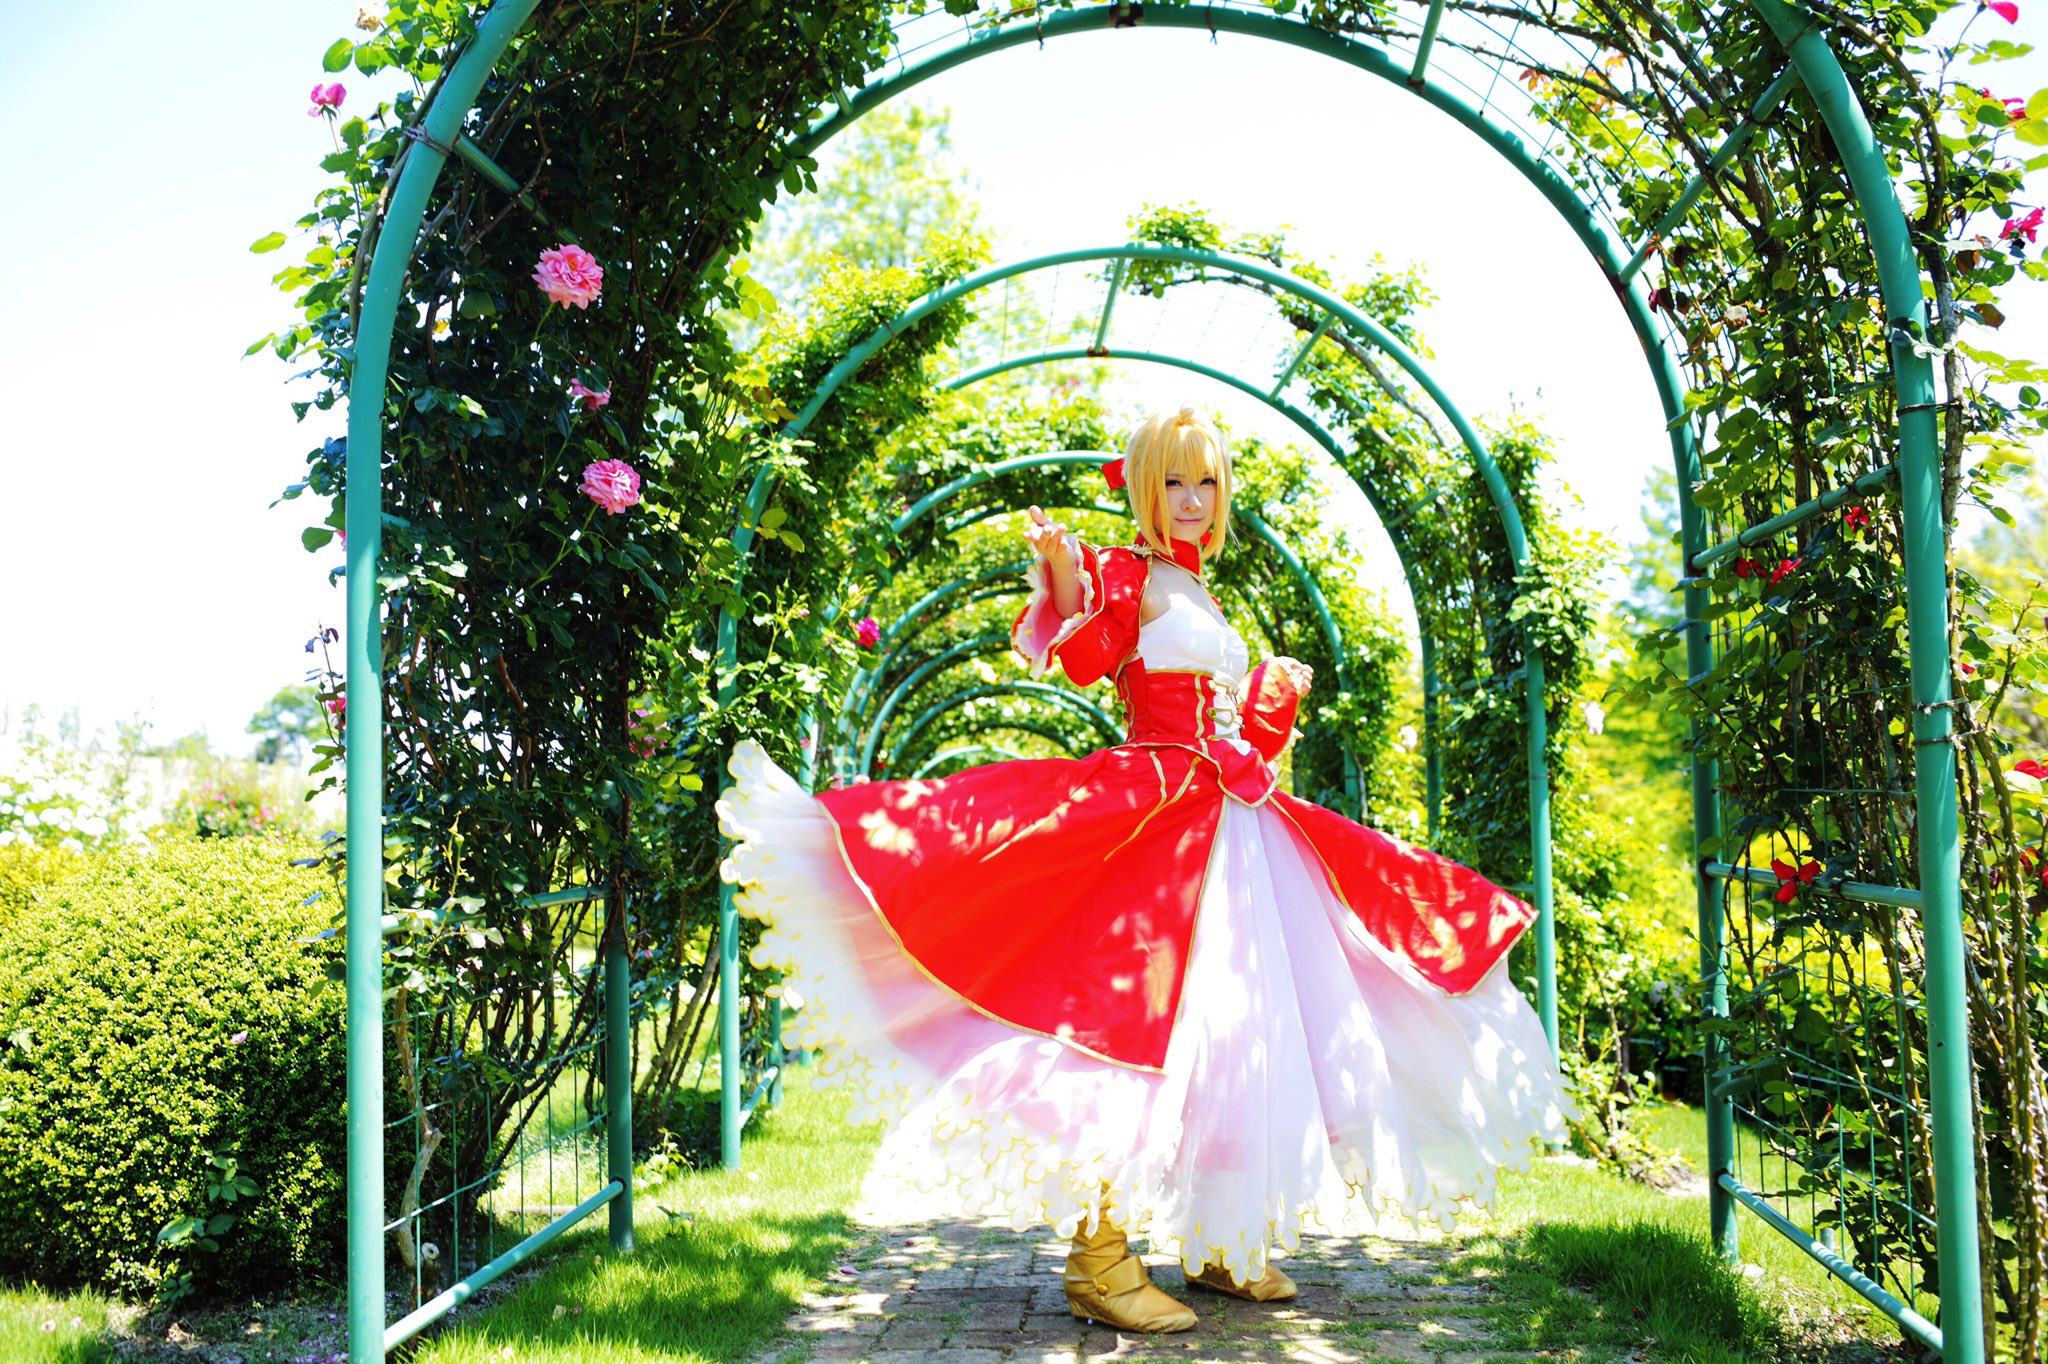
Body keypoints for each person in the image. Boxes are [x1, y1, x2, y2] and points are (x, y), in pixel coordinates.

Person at [718, 406, 1572, 1334]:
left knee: (1244, 1028)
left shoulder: (1197, 583)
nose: (1193, 499)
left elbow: (1232, 725)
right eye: (1173, 480)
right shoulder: (1126, 572)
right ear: (1143, 487)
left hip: (1234, 824)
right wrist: (1063, 575)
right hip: (1160, 816)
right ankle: (1100, 1259)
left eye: (1206, 481)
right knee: (1134, 1023)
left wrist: (1271, 694)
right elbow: (1090, 659)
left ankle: (1222, 1238)